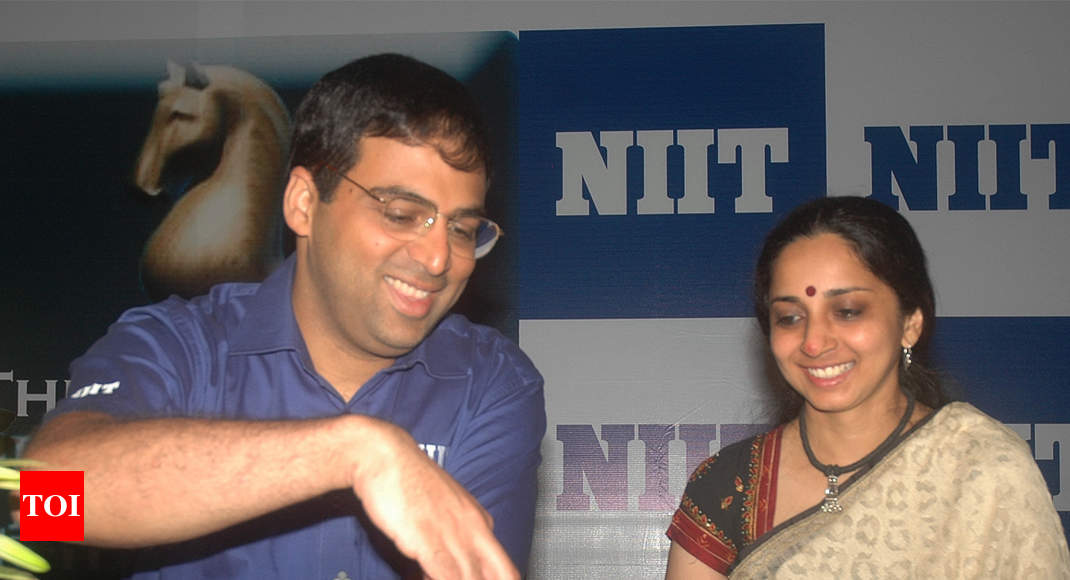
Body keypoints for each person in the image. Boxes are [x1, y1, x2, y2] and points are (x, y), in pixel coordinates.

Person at [25, 53, 545, 580]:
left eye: (461, 229)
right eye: (402, 215)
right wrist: (352, 451)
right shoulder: (179, 345)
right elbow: (44, 500)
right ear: (302, 203)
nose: (438, 258)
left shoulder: (492, 383)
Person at [664, 196, 1069, 578]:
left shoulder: (982, 469)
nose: (814, 342)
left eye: (847, 311)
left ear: (910, 322)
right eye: (789, 317)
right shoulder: (729, 486)